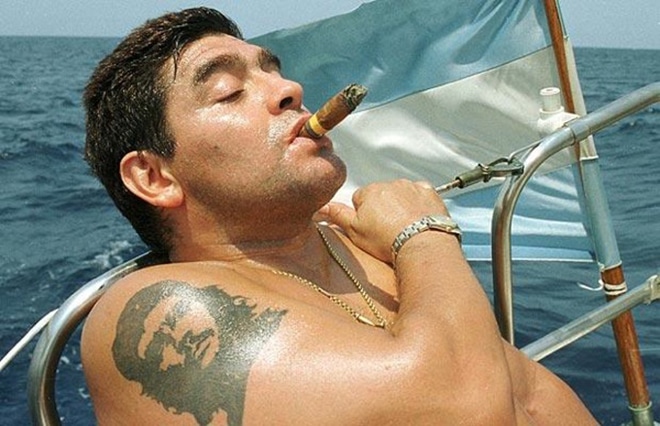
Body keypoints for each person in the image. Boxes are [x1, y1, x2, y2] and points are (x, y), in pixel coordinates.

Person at [81, 7, 597, 425]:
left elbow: (529, 395)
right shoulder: (160, 309)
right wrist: (424, 234)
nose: (290, 89)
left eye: (273, 71)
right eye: (229, 92)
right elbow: (468, 412)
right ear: (154, 177)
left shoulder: (361, 249)